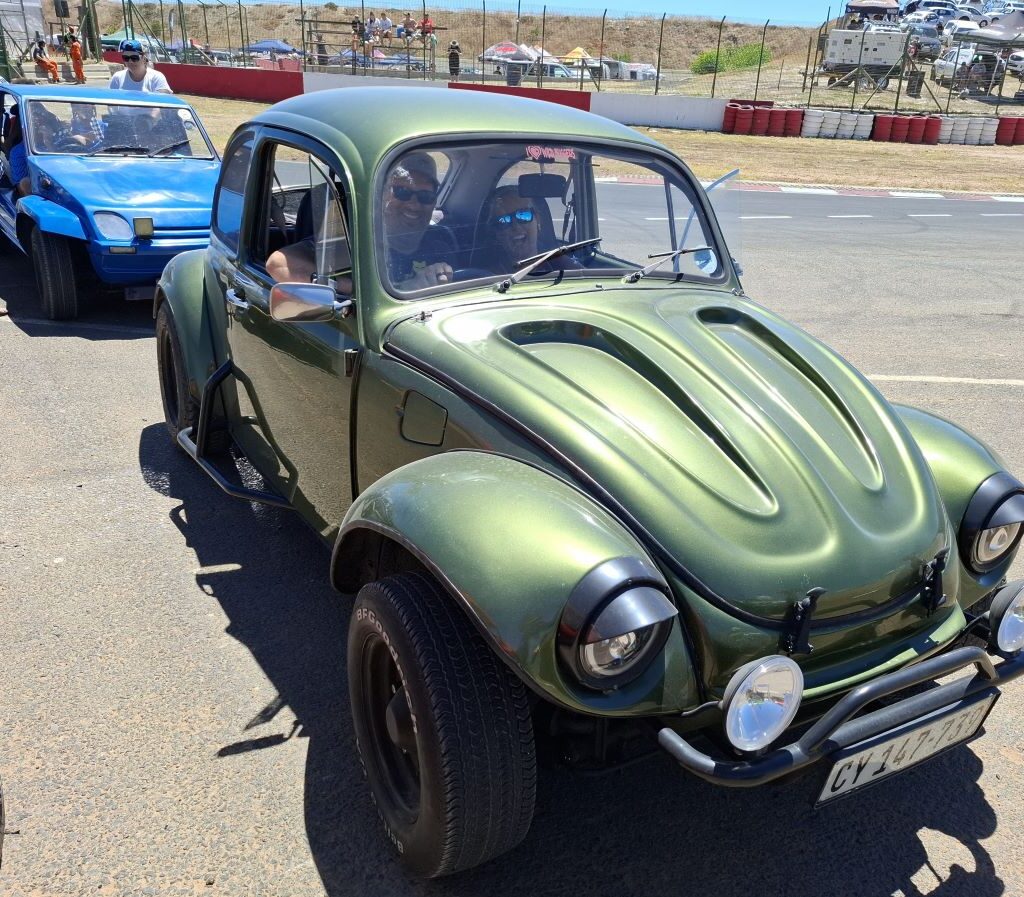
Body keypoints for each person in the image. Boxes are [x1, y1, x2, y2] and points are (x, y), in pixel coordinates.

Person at [267, 151, 454, 291]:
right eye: (402, 192)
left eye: (425, 196)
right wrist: (361, 291)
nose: (414, 205)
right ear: (381, 195)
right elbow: (279, 265)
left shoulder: (442, 244)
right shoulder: (349, 243)